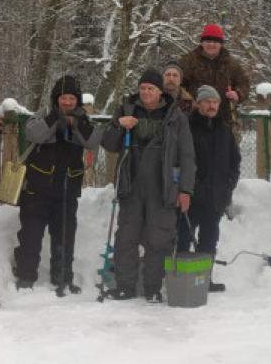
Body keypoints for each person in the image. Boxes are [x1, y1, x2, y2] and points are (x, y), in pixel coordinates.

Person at [100, 68, 195, 303]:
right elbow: (109, 144)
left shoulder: (175, 117)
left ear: (160, 91)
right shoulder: (126, 110)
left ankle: (153, 288)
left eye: (150, 88)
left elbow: (187, 156)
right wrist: (119, 125)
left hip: (163, 188)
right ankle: (125, 286)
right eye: (142, 88)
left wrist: (185, 190)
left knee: (159, 239)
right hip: (131, 185)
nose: (145, 92)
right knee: (126, 237)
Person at [12, 76, 101, 295]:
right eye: (63, 98)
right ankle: (25, 276)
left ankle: (63, 277)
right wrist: (55, 119)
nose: (67, 103)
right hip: (37, 188)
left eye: (71, 98)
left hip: (67, 189)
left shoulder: (83, 120)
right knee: (31, 235)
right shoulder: (43, 114)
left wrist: (76, 124)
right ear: (56, 99)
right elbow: (33, 133)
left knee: (64, 236)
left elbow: (93, 141)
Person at [178, 85, 241, 293]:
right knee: (183, 240)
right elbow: (180, 160)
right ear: (198, 104)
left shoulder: (224, 130)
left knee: (209, 241)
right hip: (191, 197)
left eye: (215, 102)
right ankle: (180, 281)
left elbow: (234, 161)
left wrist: (228, 184)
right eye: (207, 102)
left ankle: (204, 280)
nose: (211, 105)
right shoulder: (187, 127)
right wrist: (189, 187)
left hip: (215, 198)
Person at [177, 23, 249, 131]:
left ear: (220, 44)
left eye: (215, 41)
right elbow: (177, 86)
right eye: (208, 41)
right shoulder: (188, 62)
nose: (211, 44)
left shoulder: (231, 64)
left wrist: (238, 94)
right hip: (194, 120)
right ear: (202, 42)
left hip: (224, 120)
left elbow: (244, 84)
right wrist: (189, 101)